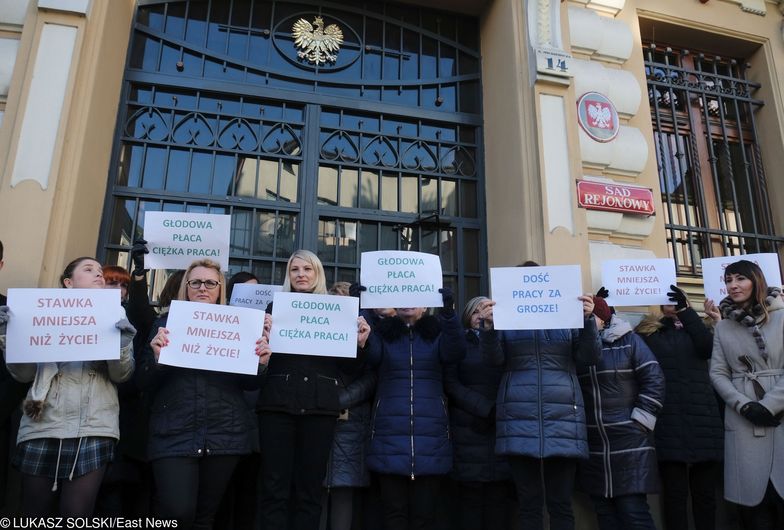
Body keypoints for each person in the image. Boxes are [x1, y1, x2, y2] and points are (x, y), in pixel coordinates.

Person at [141, 259, 271, 530]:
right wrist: (156, 358)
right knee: (176, 513)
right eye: (195, 282)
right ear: (185, 287)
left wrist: (261, 363)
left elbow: (250, 384)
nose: (203, 288)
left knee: (205, 518)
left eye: (210, 283)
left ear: (220, 288)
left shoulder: (239, 325)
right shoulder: (164, 324)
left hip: (224, 433)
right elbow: (143, 381)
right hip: (174, 431)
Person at [0, 257, 135, 516]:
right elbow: (23, 375)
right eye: (89, 270)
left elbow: (122, 375)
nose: (99, 274)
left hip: (94, 426)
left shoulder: (117, 314)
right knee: (35, 515)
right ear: (68, 282)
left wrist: (122, 344)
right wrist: (9, 336)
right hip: (44, 425)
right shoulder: (37, 313)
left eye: (100, 271)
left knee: (76, 516)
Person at [476, 263, 601, 530]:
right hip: (519, 418)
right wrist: (487, 329)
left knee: (560, 503)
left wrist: (589, 320)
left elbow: (589, 358)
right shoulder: (506, 319)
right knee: (529, 503)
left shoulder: (569, 317)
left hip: (563, 418)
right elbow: (492, 360)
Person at [257, 250, 370, 530]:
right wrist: (263, 336)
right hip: (277, 406)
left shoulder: (336, 311)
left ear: (317, 274)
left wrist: (360, 344)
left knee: (310, 489)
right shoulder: (273, 309)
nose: (301, 275)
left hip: (319, 408)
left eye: (307, 269)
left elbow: (351, 369)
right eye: (295, 270)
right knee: (274, 486)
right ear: (288, 275)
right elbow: (259, 360)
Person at [364, 287, 467, 530]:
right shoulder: (382, 334)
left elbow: (456, 351)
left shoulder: (439, 334)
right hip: (389, 435)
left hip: (430, 436)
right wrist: (364, 309)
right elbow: (371, 355)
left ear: (426, 305)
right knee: (393, 514)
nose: (408, 302)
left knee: (425, 516)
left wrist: (450, 313)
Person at [634, 285, 723, 530]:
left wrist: (687, 312)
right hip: (668, 418)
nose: (670, 303)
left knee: (705, 495)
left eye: (676, 298)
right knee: (674, 495)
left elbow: (706, 348)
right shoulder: (648, 331)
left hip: (703, 419)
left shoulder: (702, 328)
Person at [577, 296, 665, 530]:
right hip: (593, 443)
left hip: (629, 439)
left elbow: (653, 378)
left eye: (592, 316)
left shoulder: (630, 341)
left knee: (633, 513)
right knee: (605, 515)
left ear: (604, 319)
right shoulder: (577, 346)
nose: (587, 320)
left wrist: (641, 421)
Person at [710, 259, 784, 529]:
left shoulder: (782, 316)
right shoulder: (723, 327)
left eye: (740, 279)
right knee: (753, 512)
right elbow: (718, 373)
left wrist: (769, 405)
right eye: (729, 280)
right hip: (743, 420)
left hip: (781, 412)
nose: (733, 285)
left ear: (756, 281)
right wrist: (744, 406)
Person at [443, 296, 514, 530]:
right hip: (468, 427)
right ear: (467, 316)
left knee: (499, 502)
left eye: (486, 312)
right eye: (476, 312)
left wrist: (498, 410)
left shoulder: (505, 343)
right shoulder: (458, 343)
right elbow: (451, 383)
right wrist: (483, 408)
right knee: (470, 503)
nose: (481, 317)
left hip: (501, 428)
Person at [324, 281, 379, 530]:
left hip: (352, 424)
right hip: (320, 419)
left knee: (344, 495)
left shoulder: (368, 337)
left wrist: (340, 400)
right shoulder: (318, 333)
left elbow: (372, 378)